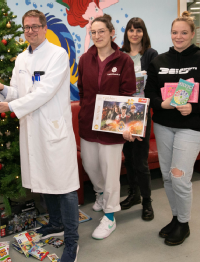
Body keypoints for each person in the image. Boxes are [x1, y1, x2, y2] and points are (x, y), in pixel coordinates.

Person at [0, 9, 80, 262]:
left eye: (35, 26)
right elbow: (19, 91)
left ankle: (72, 241)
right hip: (33, 130)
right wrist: (2, 88)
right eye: (26, 27)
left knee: (65, 186)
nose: (30, 31)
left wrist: (11, 107)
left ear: (44, 28)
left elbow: (44, 92)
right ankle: (55, 223)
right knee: (46, 179)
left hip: (53, 129)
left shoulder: (58, 55)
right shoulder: (21, 59)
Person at [77, 14, 136, 240]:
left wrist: (126, 125)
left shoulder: (124, 61)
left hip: (113, 127)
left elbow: (128, 95)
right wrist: (87, 110)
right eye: (93, 32)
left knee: (111, 171)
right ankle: (100, 194)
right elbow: (82, 90)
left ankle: (110, 216)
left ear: (112, 32)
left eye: (101, 31)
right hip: (88, 124)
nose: (97, 36)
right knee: (90, 165)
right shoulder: (84, 59)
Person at [145, 11, 200, 246]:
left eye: (184, 33)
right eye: (175, 32)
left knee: (179, 178)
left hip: (190, 127)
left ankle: (185, 223)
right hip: (164, 125)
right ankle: (176, 218)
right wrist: (162, 104)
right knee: (167, 177)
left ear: (193, 33)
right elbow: (149, 93)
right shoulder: (159, 61)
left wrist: (193, 108)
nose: (179, 37)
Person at [120, 17, 158, 221]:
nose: (134, 33)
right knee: (128, 156)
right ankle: (133, 194)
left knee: (141, 160)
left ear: (144, 32)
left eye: (139, 30)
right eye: (131, 30)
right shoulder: (120, 53)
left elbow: (156, 83)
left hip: (142, 111)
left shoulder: (151, 54)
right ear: (126, 32)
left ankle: (147, 201)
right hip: (124, 112)